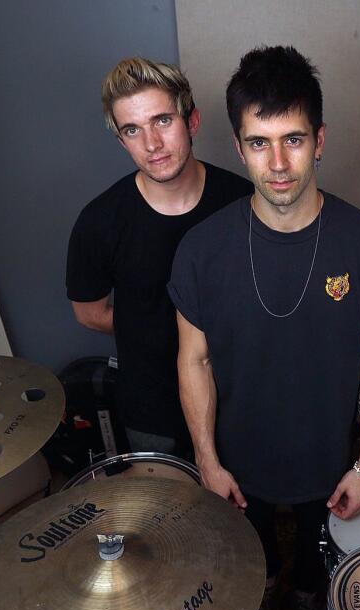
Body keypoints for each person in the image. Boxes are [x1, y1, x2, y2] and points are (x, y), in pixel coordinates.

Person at [169, 46, 360, 610]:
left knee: (311, 557)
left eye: (293, 140)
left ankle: (303, 587)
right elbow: (192, 357)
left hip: (329, 460)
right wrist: (205, 459)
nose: (277, 163)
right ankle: (264, 584)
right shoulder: (201, 251)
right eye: (258, 142)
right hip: (237, 461)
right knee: (252, 564)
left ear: (320, 140)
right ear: (238, 144)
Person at [66, 57, 251, 457]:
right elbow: (89, 313)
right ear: (121, 140)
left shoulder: (241, 201)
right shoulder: (100, 222)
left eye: (163, 121)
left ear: (193, 121)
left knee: (244, 512)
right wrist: (152, 333)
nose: (151, 144)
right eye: (133, 130)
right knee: (172, 516)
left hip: (241, 397)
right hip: (152, 406)